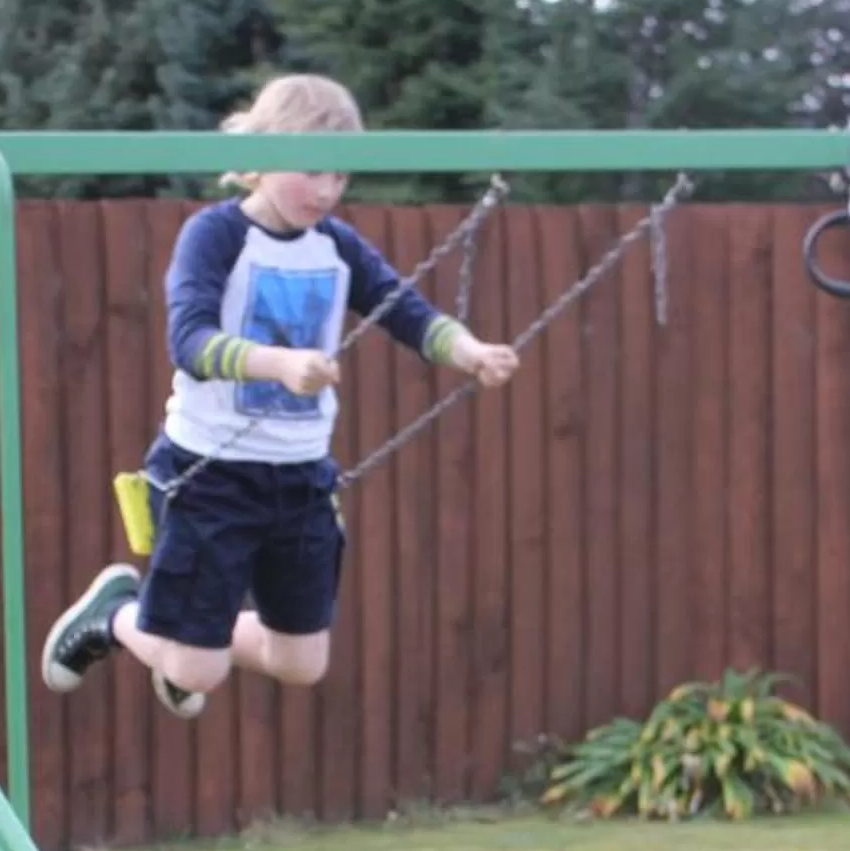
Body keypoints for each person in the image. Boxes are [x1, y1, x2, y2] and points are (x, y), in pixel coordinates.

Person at [40, 74, 520, 716]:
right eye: (312, 171)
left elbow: (404, 310)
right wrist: (278, 365)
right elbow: (189, 341)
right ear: (263, 153)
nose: (326, 191)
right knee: (196, 670)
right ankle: (116, 616)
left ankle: (186, 645)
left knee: (302, 662)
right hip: (209, 474)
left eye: (342, 177)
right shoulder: (216, 236)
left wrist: (470, 352)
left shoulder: (337, 245)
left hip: (300, 481)